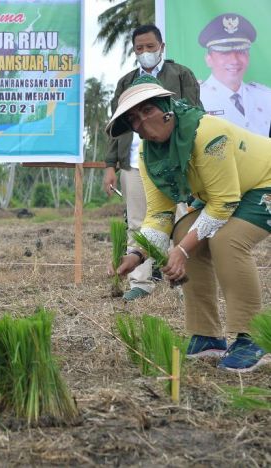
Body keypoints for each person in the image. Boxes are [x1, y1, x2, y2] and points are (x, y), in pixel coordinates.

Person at [107, 75, 271, 372]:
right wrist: (137, 255)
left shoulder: (208, 133)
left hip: (264, 183)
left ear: (166, 109)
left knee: (227, 240)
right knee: (183, 231)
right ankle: (207, 335)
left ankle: (253, 337)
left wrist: (181, 252)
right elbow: (159, 214)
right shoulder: (148, 153)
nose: (142, 125)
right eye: (133, 119)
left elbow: (223, 204)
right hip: (228, 194)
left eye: (147, 112)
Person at [103, 24, 203, 302]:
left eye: (150, 46)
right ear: (134, 51)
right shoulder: (126, 82)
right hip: (134, 162)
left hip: (174, 160)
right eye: (139, 48)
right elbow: (116, 128)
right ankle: (141, 282)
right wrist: (110, 165)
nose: (145, 52)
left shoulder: (181, 75)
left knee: (182, 220)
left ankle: (185, 282)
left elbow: (196, 115)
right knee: (137, 221)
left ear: (162, 47)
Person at [198, 13, 271, 137]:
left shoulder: (266, 97)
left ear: (248, 57)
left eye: (241, 52)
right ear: (208, 59)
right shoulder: (196, 99)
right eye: (224, 53)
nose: (234, 60)